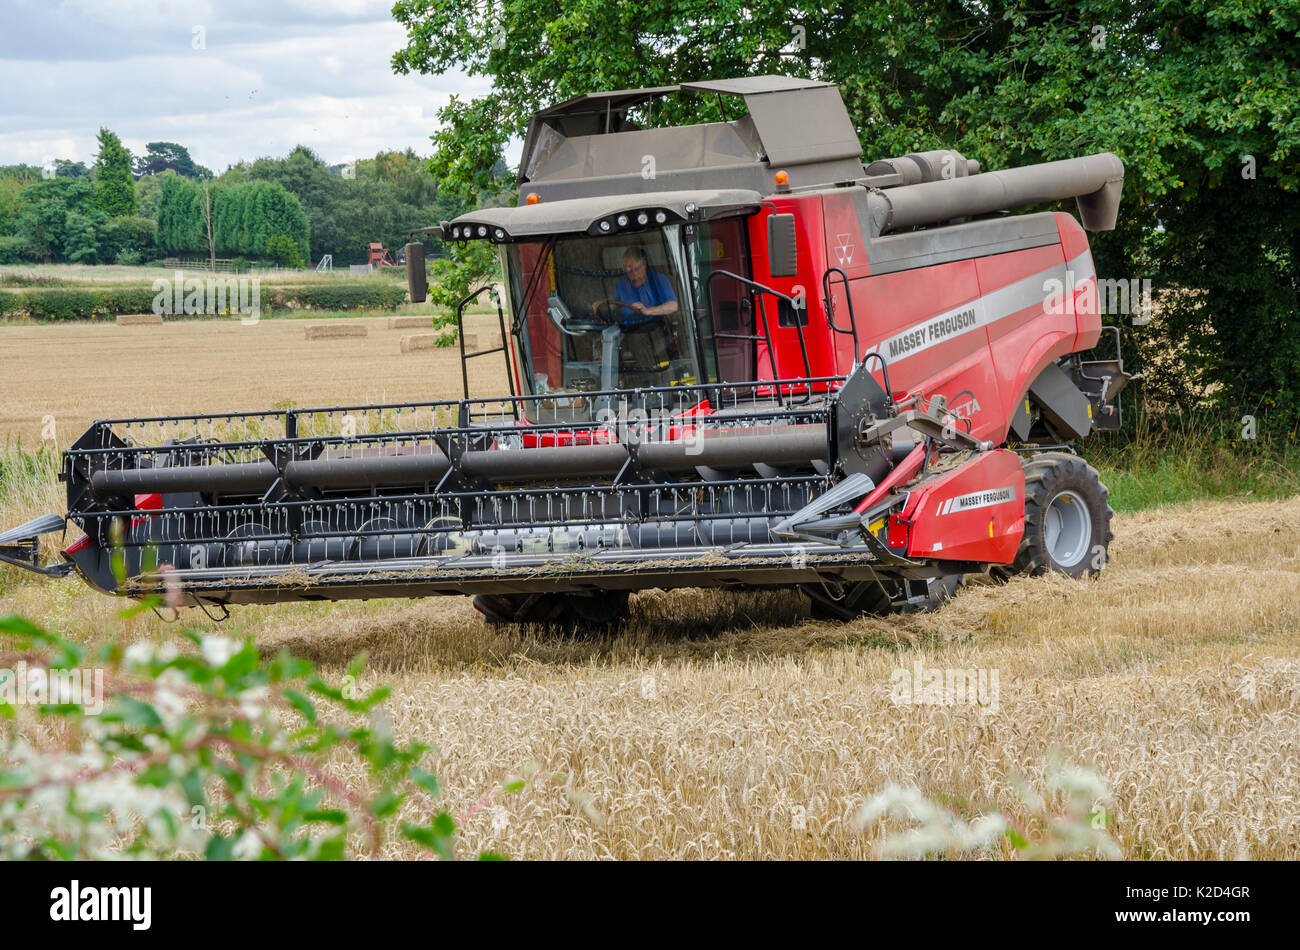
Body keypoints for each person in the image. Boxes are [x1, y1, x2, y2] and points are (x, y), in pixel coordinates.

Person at [598, 247, 678, 326]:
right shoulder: (623, 282)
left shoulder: (659, 280)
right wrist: (601, 305)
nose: (631, 272)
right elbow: (617, 301)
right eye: (628, 268)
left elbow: (673, 305)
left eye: (634, 267)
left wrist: (648, 311)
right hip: (627, 329)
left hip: (653, 331)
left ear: (644, 264)